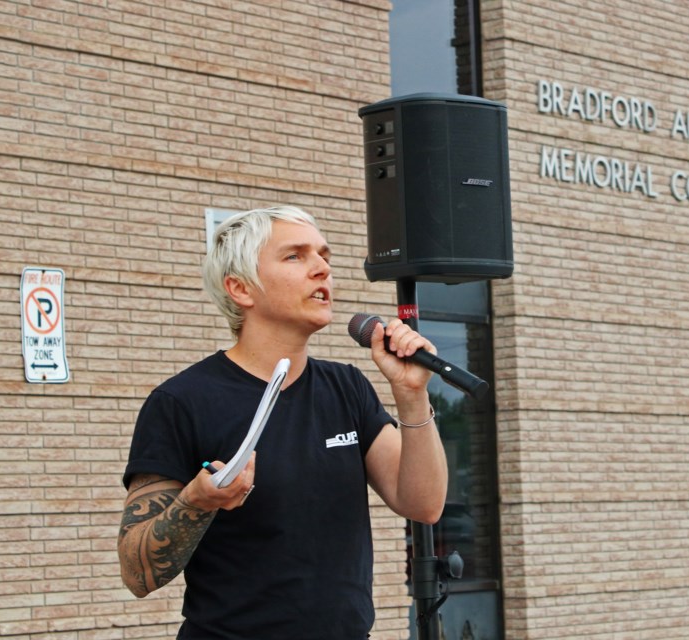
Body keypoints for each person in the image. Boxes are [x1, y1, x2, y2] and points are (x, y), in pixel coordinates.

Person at [117, 205, 448, 639]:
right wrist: (195, 503)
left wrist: (411, 395)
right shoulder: (181, 401)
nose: (322, 269)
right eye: (295, 256)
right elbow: (138, 574)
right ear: (240, 289)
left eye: (324, 256)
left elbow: (423, 504)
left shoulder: (346, 386)